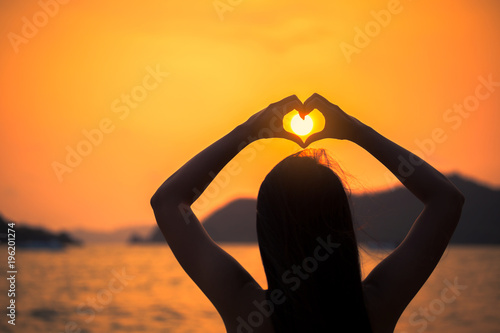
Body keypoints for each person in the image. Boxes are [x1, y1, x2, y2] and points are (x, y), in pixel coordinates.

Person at [150, 94, 464, 333]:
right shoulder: (375, 307)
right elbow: (446, 201)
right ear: (341, 223)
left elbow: (167, 201)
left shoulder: (249, 310)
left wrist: (249, 130)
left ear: (267, 228)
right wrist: (355, 130)